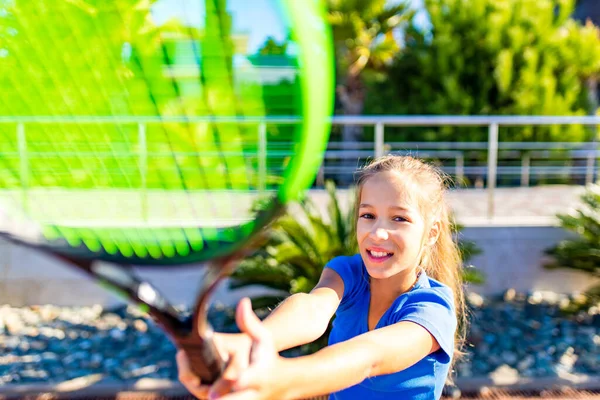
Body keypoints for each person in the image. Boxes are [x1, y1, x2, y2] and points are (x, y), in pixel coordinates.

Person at [177, 155, 467, 400]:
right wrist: (244, 346)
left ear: (431, 233)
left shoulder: (433, 308)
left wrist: (280, 379)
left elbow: (369, 357)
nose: (377, 233)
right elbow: (312, 309)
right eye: (368, 215)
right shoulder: (349, 272)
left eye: (399, 219)